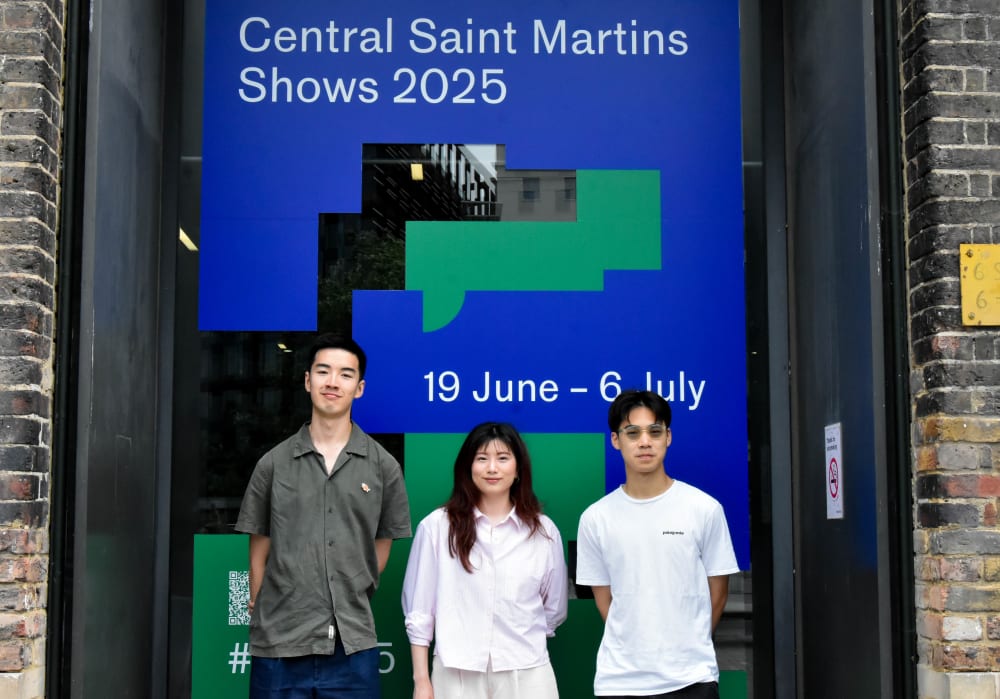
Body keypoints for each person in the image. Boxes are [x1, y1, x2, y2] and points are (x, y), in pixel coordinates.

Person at [235, 334, 412, 698]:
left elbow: (381, 545)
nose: (332, 382)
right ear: (307, 381)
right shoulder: (273, 464)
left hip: (352, 646)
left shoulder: (383, 467)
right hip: (280, 645)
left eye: (345, 375)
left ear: (359, 388)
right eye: (323, 371)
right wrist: (266, 603)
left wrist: (349, 587)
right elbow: (259, 547)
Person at [576, 390, 739, 699]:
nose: (644, 442)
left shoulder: (703, 508)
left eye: (654, 431)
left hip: (693, 678)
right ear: (615, 440)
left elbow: (718, 595)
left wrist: (686, 646)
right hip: (620, 681)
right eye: (632, 432)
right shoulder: (596, 518)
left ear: (668, 437)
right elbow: (604, 601)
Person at [402, 422, 568, 699]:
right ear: (468, 467)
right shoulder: (437, 527)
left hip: (527, 671)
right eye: (482, 459)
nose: (492, 468)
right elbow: (419, 612)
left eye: (503, 458)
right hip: (456, 673)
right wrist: (421, 681)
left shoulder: (543, 531)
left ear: (518, 469)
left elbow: (554, 609)